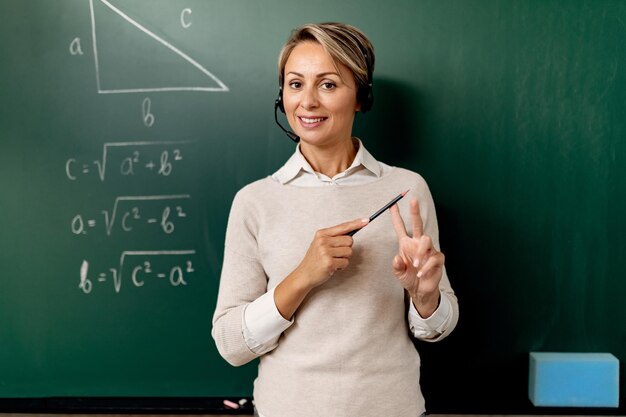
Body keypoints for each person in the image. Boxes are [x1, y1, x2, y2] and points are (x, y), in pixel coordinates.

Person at [212, 22, 459, 417]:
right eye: (295, 84)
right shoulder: (255, 201)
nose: (307, 101)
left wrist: (425, 296)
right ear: (282, 96)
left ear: (361, 96)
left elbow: (437, 327)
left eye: (327, 85)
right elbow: (230, 345)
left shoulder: (407, 190)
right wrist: (304, 275)